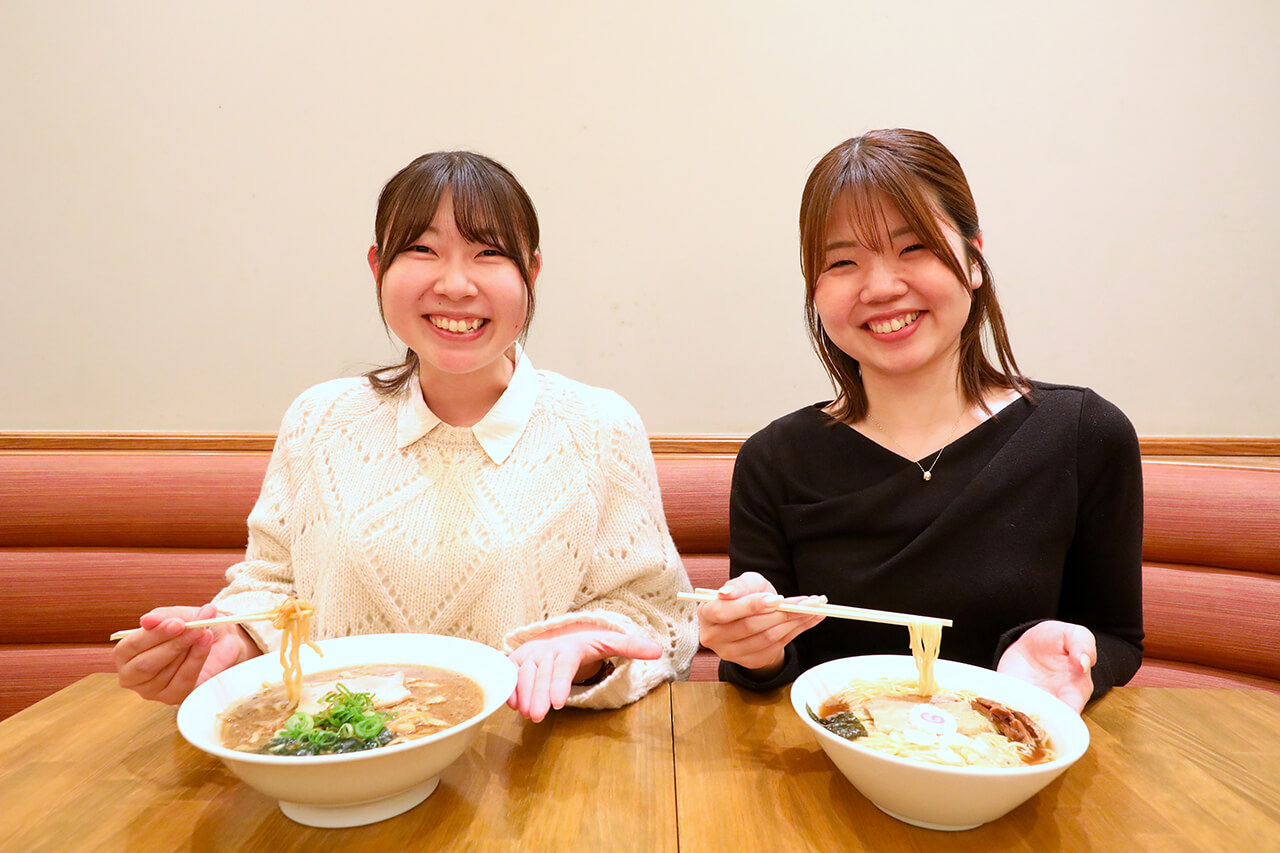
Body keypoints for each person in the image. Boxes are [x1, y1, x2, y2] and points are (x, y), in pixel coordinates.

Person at [115, 151, 697, 721]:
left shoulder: (599, 427)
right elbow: (272, 588)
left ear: (532, 272)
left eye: (489, 253)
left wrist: (586, 653)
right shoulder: (319, 419)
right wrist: (230, 641)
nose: (456, 284)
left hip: (525, 757)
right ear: (378, 267)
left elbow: (659, 615)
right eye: (422, 250)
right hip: (336, 751)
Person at [697, 129, 1142, 713]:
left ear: (973, 258)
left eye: (914, 248)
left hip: (1009, 749)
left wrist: (1074, 658)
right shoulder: (774, 460)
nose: (882, 287)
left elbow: (1117, 637)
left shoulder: (1084, 435)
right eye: (843, 262)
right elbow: (769, 673)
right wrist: (753, 650)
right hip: (832, 755)